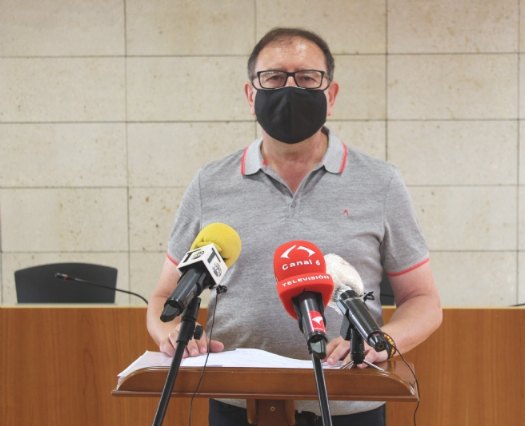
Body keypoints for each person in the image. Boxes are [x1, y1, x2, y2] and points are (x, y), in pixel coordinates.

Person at [146, 27, 442, 426]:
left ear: (331, 95)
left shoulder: (381, 183)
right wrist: (170, 331)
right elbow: (165, 296)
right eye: (273, 78)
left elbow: (423, 300)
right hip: (237, 405)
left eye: (306, 78)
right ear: (251, 95)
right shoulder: (209, 183)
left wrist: (383, 342)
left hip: (350, 405)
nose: (290, 89)